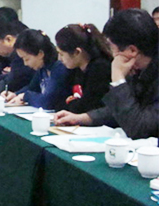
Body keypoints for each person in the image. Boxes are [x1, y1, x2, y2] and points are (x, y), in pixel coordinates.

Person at [55, 9, 158, 138]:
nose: (112, 55)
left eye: (112, 47)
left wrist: (118, 80)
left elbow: (138, 128)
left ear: (132, 50)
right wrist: (81, 118)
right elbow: (119, 111)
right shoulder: (138, 70)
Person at [3, 29, 72, 110]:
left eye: (27, 59)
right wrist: (15, 94)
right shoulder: (42, 68)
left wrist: (25, 96)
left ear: (40, 54)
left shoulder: (60, 67)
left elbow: (48, 102)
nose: (25, 64)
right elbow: (32, 88)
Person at [54, 24, 112, 113]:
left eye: (61, 54)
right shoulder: (75, 69)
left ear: (77, 52)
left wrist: (71, 102)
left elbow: (88, 107)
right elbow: (57, 102)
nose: (59, 59)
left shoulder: (100, 69)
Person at [0, 17, 35, 92]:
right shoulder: (14, 54)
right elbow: (15, 74)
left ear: (8, 39)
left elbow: (14, 81)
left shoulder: (23, 54)